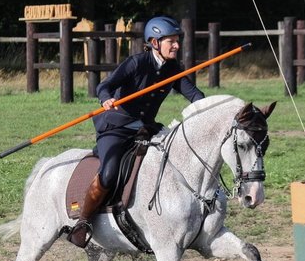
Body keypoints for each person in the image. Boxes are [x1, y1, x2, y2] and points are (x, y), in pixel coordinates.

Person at [68, 16, 205, 248]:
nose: (177, 46)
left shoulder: (173, 68)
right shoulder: (135, 63)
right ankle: (83, 222)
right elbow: (104, 86)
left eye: (177, 41)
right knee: (110, 173)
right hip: (116, 127)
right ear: (154, 42)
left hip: (145, 128)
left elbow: (195, 96)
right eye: (171, 41)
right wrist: (106, 99)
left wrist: (209, 111)